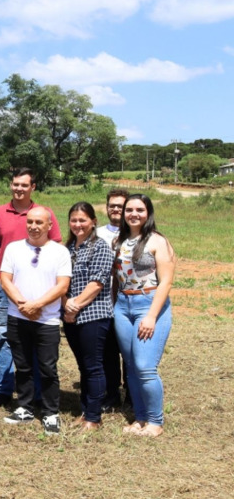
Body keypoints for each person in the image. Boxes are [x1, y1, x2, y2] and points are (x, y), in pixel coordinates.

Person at [0, 167, 62, 406]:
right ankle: (4, 389)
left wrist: (39, 300)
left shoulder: (44, 213)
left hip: (40, 293)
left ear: (33, 188)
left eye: (24, 185)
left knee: (37, 344)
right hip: (6, 288)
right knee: (4, 339)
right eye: (15, 184)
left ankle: (37, 395)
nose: (19, 188)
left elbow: (56, 250)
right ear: (11, 185)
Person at [0, 207, 71, 435]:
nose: (33, 226)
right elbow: (5, 279)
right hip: (17, 317)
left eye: (39, 222)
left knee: (48, 368)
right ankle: (24, 408)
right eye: (30, 221)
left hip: (47, 320)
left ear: (50, 225)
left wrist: (36, 305)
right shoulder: (14, 248)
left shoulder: (60, 252)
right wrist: (23, 305)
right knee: (23, 366)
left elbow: (62, 286)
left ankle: (50, 413)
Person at [114, 194, 174, 438]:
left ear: (148, 213)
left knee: (145, 366)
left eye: (139, 209)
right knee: (130, 367)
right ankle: (140, 418)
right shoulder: (120, 240)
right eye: (129, 209)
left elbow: (166, 281)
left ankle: (155, 422)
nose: (134, 214)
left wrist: (151, 316)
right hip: (122, 305)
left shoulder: (157, 241)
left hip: (148, 305)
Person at [61, 202, 114, 431]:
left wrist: (74, 306)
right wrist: (66, 306)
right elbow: (60, 282)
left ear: (93, 221)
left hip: (94, 315)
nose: (78, 224)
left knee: (93, 367)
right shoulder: (68, 248)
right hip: (71, 315)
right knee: (83, 366)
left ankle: (94, 416)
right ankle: (85, 413)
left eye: (83, 220)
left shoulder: (100, 247)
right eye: (74, 220)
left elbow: (97, 283)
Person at [96, 187, 129, 410]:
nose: (116, 209)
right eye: (113, 205)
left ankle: (132, 394)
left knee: (129, 351)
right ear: (107, 208)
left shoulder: (136, 232)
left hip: (127, 302)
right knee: (108, 351)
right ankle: (112, 393)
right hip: (101, 302)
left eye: (121, 206)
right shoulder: (97, 233)